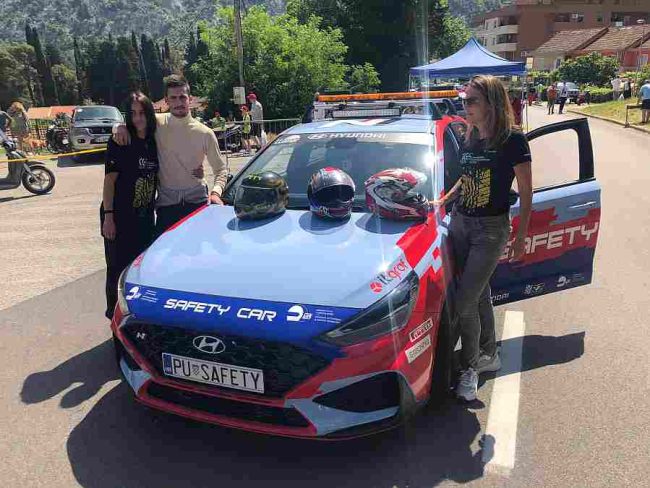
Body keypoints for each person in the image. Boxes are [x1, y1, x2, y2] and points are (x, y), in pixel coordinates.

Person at [432, 75, 533, 402]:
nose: (466, 106)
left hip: (490, 230)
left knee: (464, 302)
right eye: (464, 100)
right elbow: (466, 179)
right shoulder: (470, 134)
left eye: (472, 100)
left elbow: (527, 192)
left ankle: (470, 369)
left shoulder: (513, 140)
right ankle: (489, 353)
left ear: (492, 102)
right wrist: (441, 200)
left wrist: (521, 235)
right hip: (461, 224)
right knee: (479, 294)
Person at [113, 74, 228, 236]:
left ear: (190, 99)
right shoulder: (156, 123)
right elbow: (134, 121)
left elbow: (221, 170)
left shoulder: (205, 133)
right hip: (167, 207)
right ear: (166, 100)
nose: (178, 102)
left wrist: (216, 193)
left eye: (182, 97)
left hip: (197, 203)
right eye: (173, 98)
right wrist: (119, 127)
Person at [101, 92, 159, 319]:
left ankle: (136, 315)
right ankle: (114, 317)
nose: (138, 118)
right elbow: (109, 181)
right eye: (133, 113)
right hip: (118, 216)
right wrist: (109, 216)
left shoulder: (154, 140)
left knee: (140, 267)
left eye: (142, 113)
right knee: (117, 268)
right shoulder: (121, 141)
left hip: (144, 217)